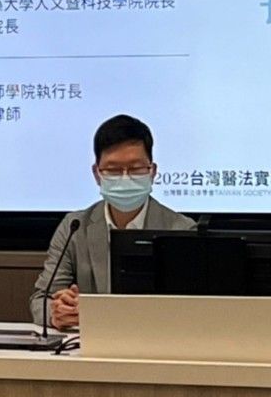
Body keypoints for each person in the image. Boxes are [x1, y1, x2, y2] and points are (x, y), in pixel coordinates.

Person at [30, 114, 194, 329]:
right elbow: (41, 299)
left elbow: (192, 308)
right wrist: (56, 313)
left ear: (152, 171)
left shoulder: (182, 229)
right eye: (113, 170)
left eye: (135, 168)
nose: (125, 177)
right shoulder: (75, 226)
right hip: (89, 345)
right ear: (97, 174)